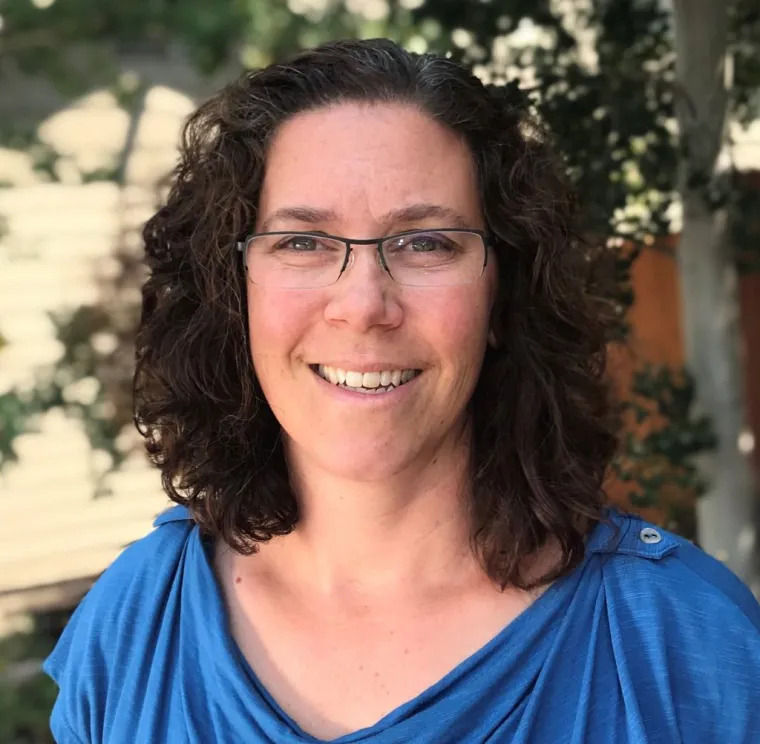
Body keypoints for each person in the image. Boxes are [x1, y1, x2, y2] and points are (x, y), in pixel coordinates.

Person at [43, 38, 760, 743]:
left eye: (425, 243)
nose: (362, 305)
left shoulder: (686, 645)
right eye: (303, 241)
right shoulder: (134, 629)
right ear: (235, 294)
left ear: (503, 296)